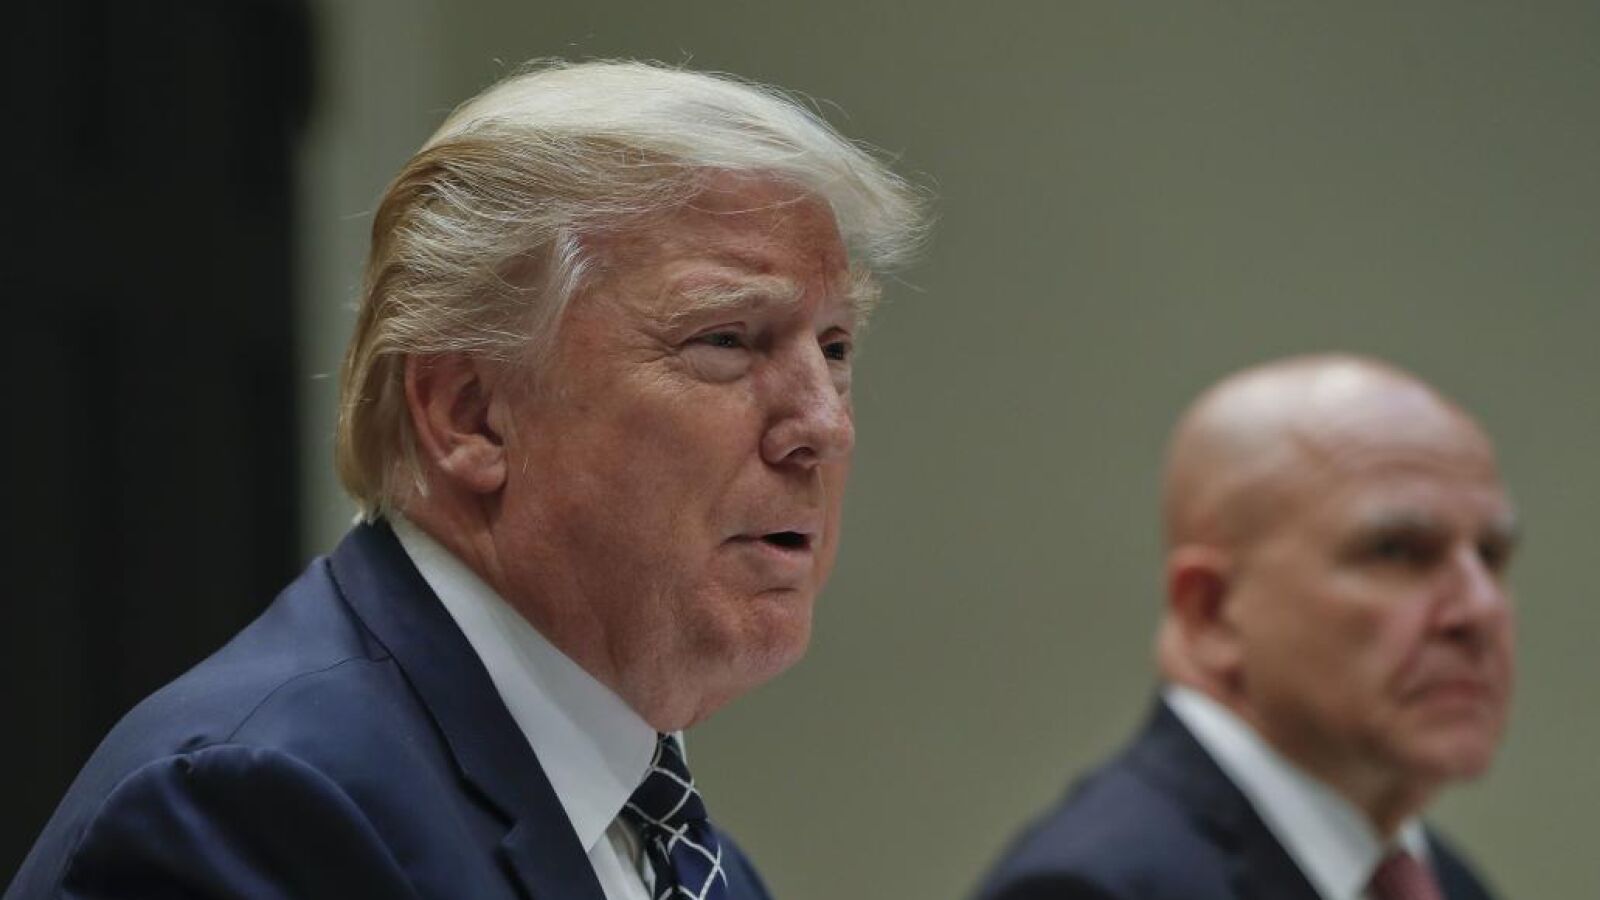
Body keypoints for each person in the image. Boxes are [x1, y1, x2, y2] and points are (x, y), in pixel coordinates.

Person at [7, 60, 924, 899]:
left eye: (835, 348)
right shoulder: (252, 814)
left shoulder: (691, 859)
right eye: (726, 339)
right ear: (470, 415)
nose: (825, 426)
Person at [976, 354, 1515, 900]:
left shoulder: (1446, 884)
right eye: (1397, 552)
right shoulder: (1092, 888)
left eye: (1491, 556)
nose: (1481, 609)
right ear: (1211, 612)